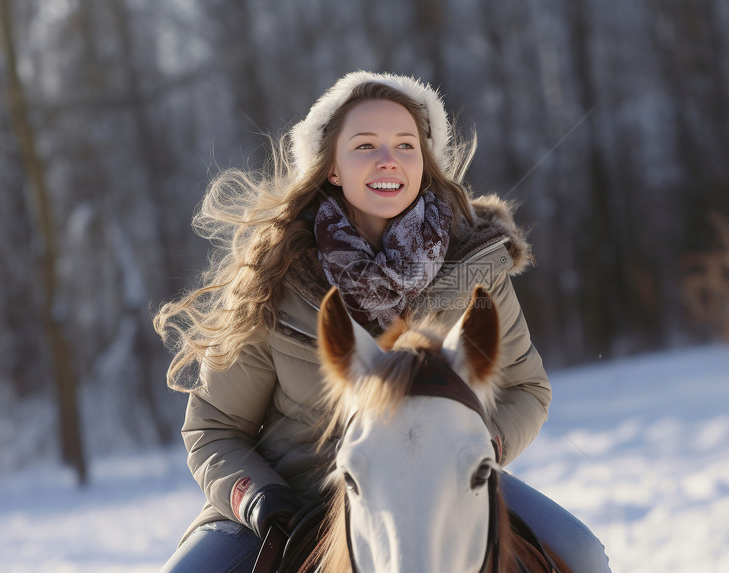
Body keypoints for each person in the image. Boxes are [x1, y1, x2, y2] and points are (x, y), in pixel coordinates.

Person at [156, 71, 610, 572]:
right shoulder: (275, 277)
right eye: (366, 145)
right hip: (293, 502)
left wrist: (476, 454)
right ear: (332, 167)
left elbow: (526, 389)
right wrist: (259, 499)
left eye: (405, 145)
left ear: (423, 160)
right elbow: (214, 428)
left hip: (448, 485)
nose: (388, 159)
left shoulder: (477, 261)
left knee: (583, 557)